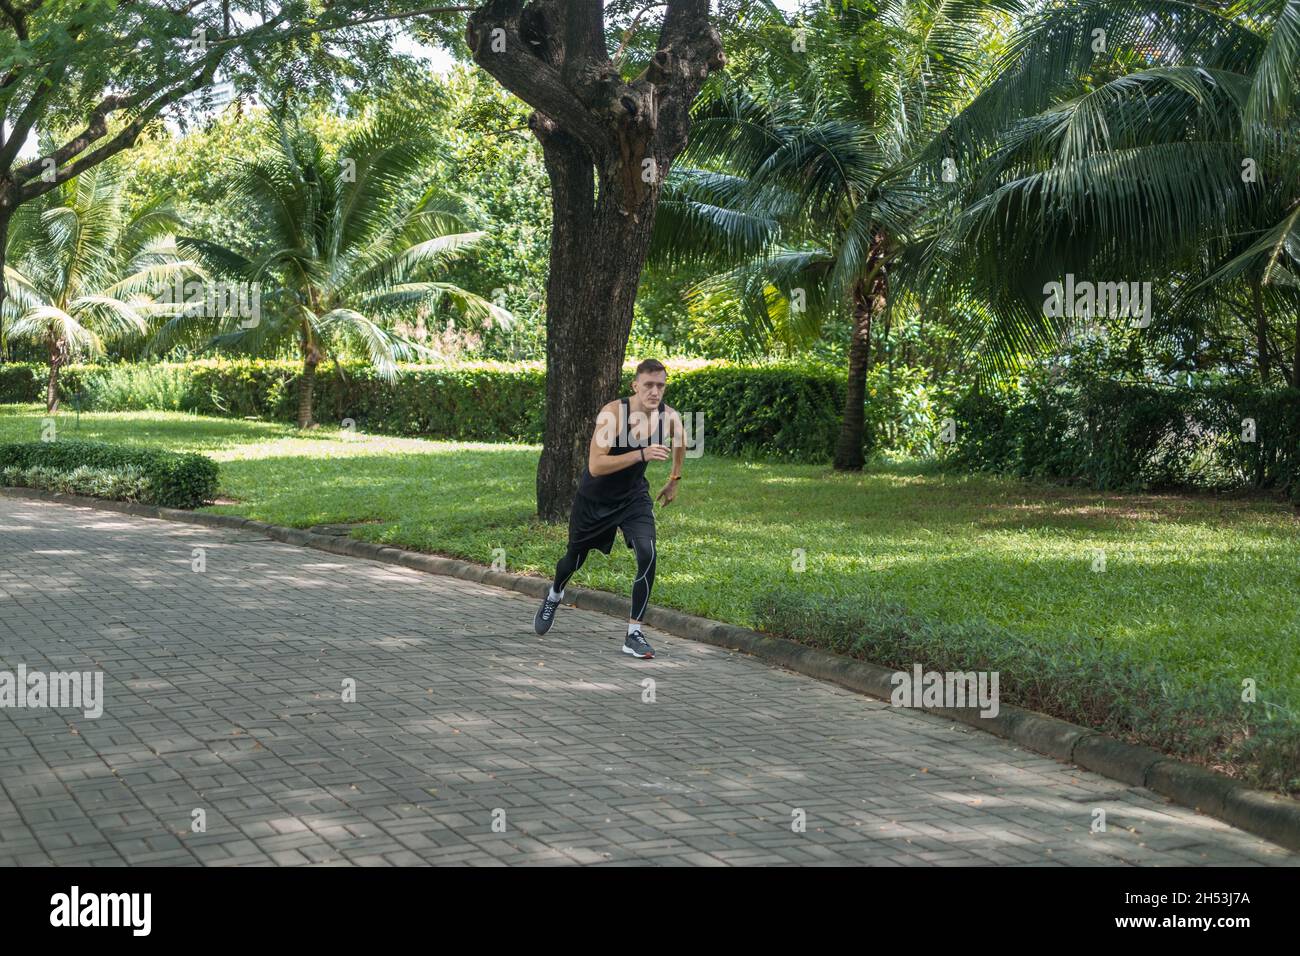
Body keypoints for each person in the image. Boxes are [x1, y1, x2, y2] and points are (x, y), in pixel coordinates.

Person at [534, 358, 685, 658]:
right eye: (649, 385)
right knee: (572, 560)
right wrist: (641, 454)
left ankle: (634, 634)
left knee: (647, 552)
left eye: (661, 386)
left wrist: (674, 479)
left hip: (633, 498)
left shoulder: (669, 417)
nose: (655, 392)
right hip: (595, 499)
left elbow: (680, 442)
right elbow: (596, 465)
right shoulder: (613, 413)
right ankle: (555, 594)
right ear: (635, 386)